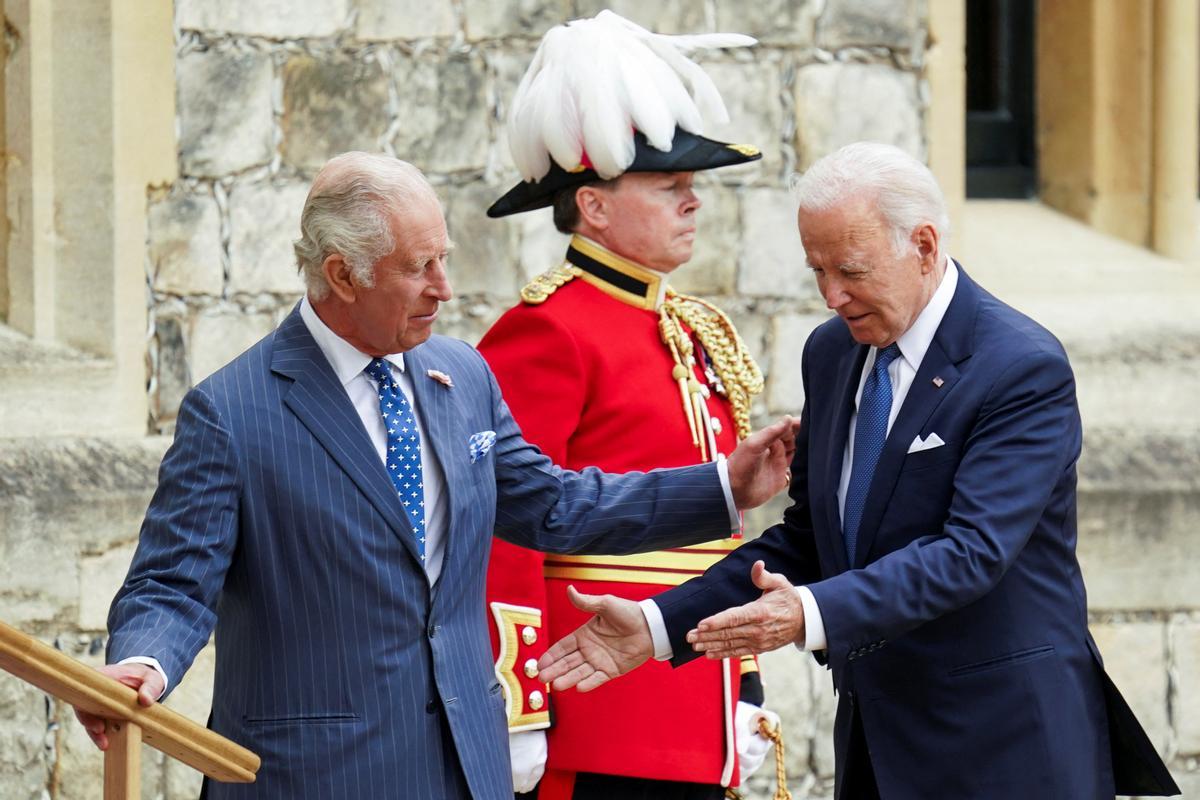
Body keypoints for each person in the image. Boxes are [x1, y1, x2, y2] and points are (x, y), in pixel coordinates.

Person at [72, 151, 799, 800]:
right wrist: (143, 662)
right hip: (313, 776)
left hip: (464, 765)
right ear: (341, 275)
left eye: (443, 258)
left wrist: (723, 487)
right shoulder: (233, 411)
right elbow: (172, 581)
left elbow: (554, 507)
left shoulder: (462, 374)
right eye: (419, 267)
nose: (444, 289)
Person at [537, 142, 1180, 799]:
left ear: (925, 246)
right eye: (817, 270)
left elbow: (971, 553)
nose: (831, 296)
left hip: (1003, 745)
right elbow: (810, 539)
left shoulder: (1019, 367)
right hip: (878, 742)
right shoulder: (833, 352)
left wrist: (807, 614)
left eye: (850, 270)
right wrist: (657, 624)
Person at [479, 11, 778, 800]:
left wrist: (741, 684)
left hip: (693, 702)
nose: (693, 202)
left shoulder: (691, 329)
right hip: (597, 713)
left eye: (692, 186)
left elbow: (720, 536)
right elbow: (504, 531)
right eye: (670, 185)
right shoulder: (544, 330)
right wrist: (516, 706)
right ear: (596, 206)